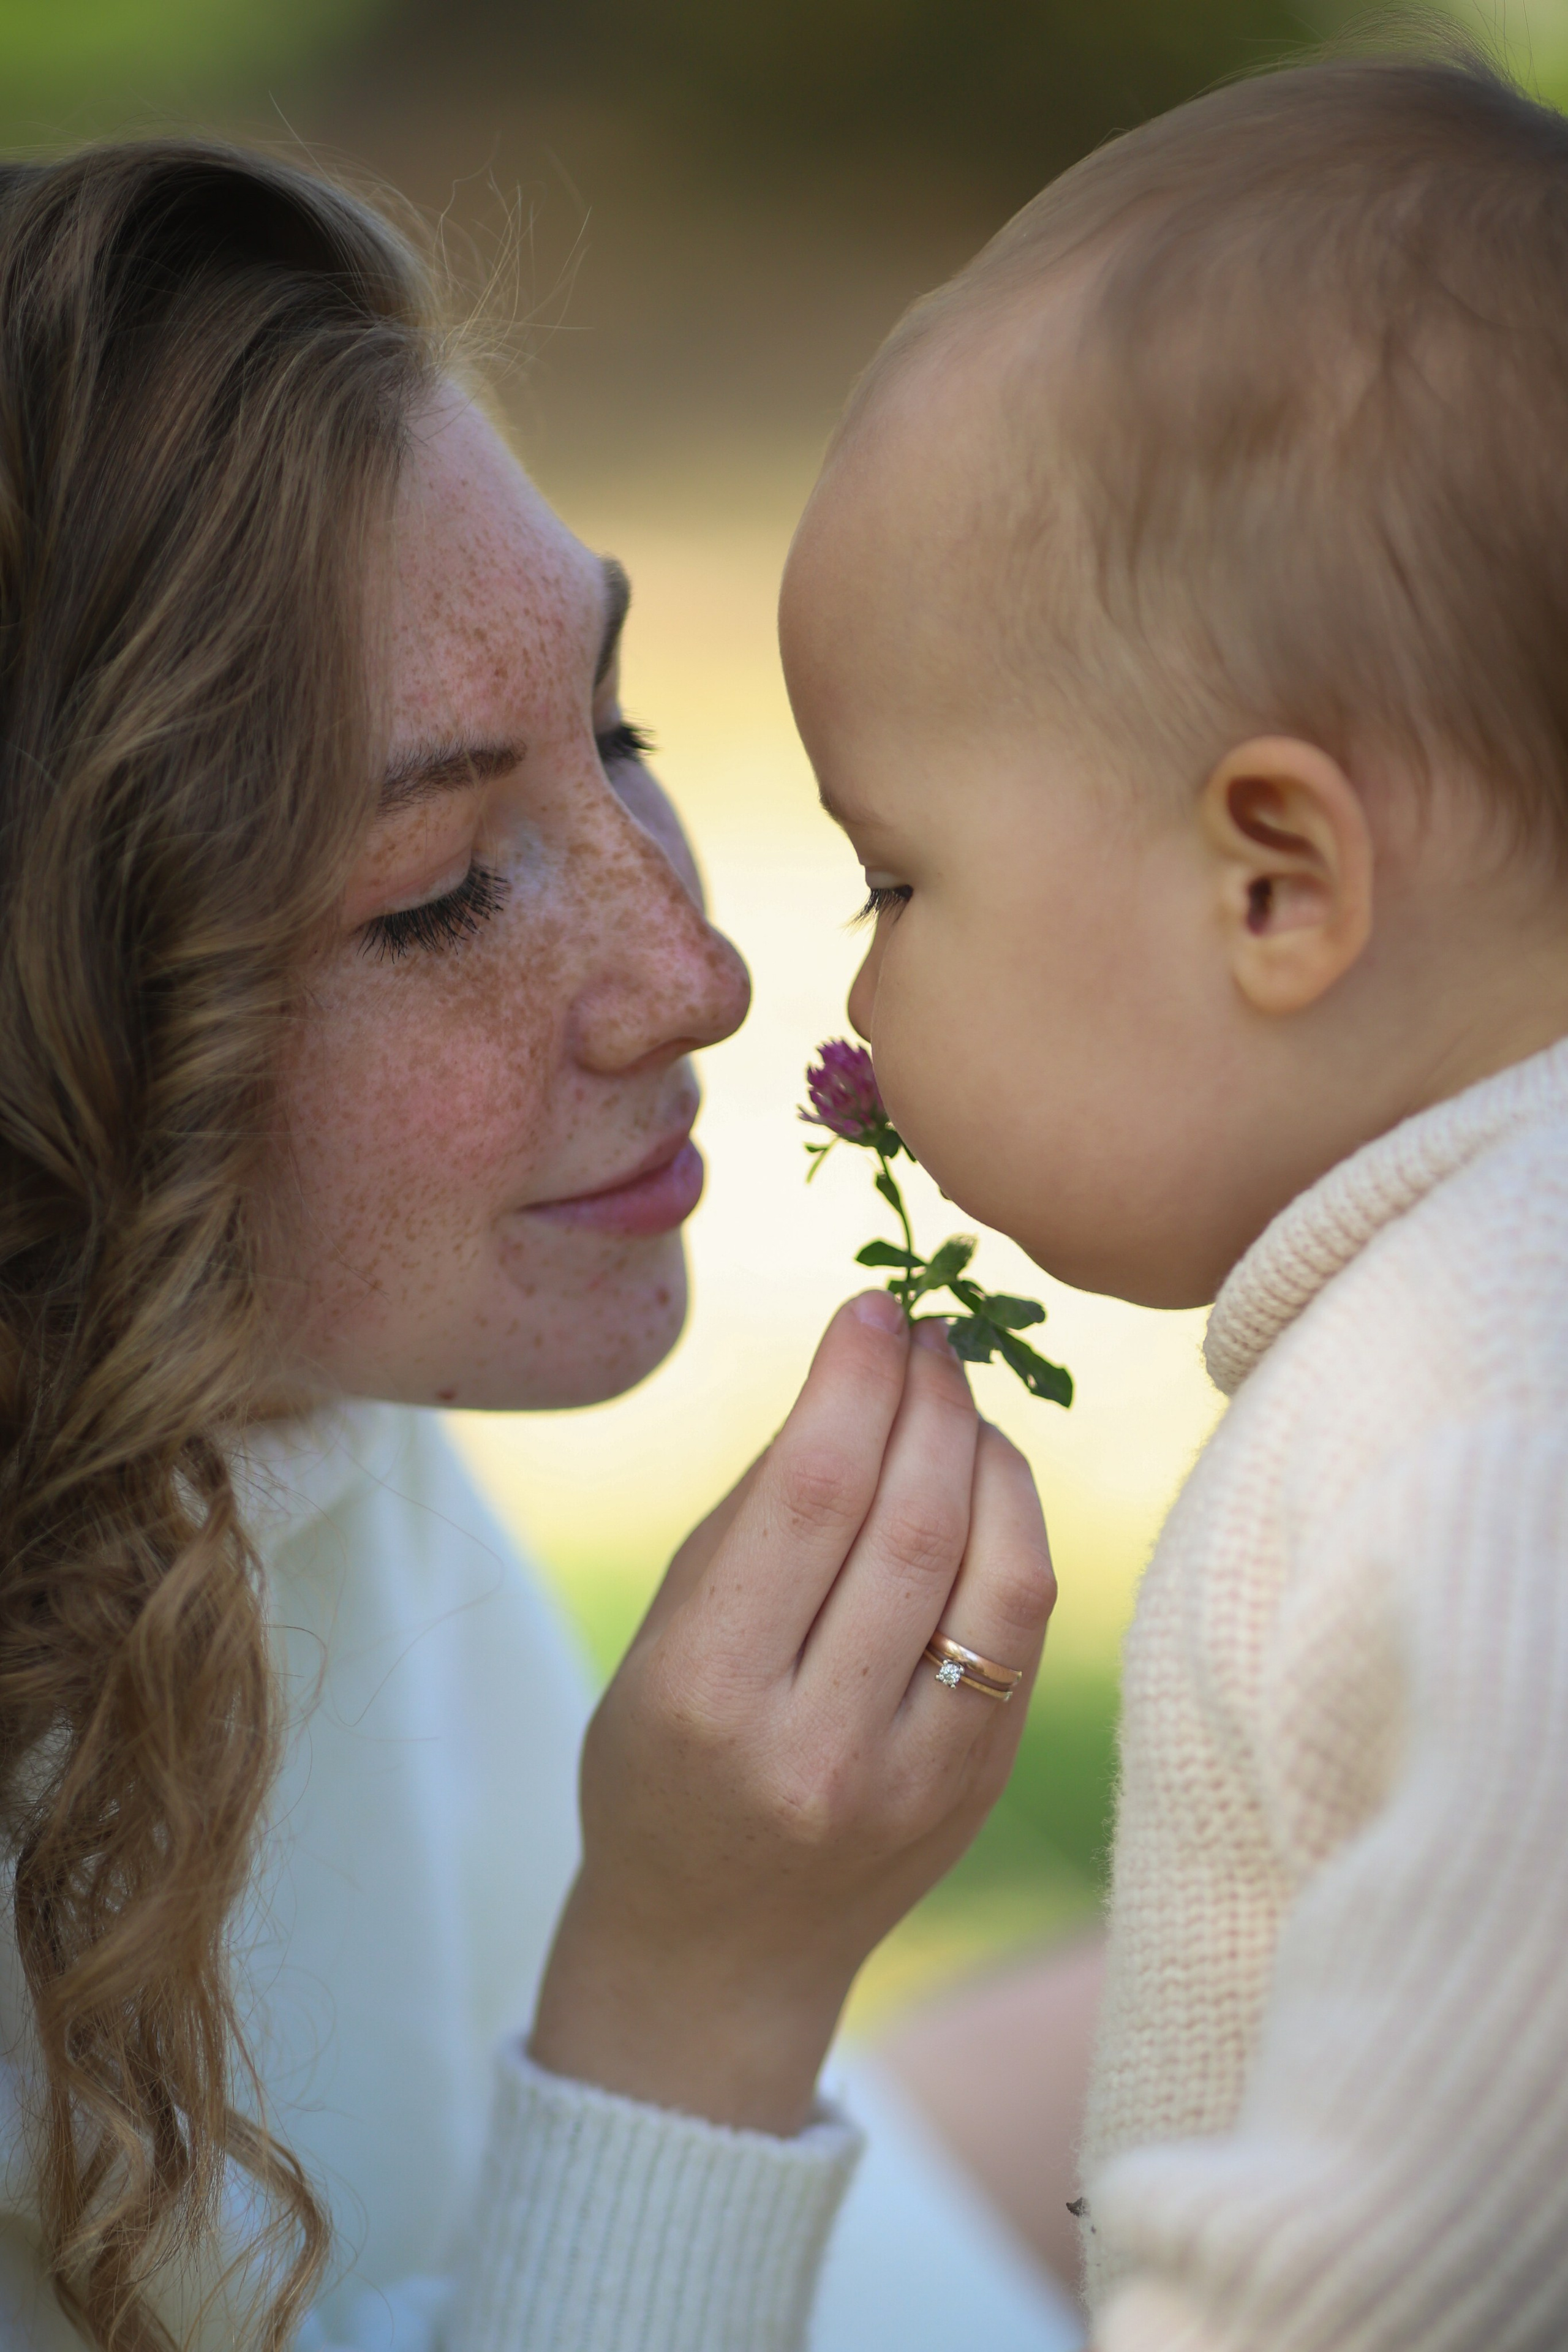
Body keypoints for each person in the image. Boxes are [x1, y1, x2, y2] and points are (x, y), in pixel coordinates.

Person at [0, 140, 1072, 2350]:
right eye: (434, 892)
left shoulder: (286, 1407)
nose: (697, 974)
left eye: (620, 731)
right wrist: (703, 1987)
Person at [780, 40, 1568, 2352]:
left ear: (1274, 884)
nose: (853, 994)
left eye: (895, 878)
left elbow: (1431, 2240)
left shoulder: (1486, 1421)